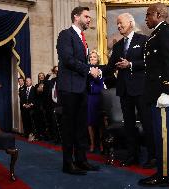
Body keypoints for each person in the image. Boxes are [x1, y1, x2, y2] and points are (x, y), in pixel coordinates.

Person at [102, 12, 156, 168]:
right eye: (117, 24)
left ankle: (152, 157)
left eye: (121, 23)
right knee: (129, 125)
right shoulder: (118, 45)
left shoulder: (144, 40)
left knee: (147, 123)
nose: (118, 26)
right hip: (124, 90)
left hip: (141, 89)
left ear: (131, 23)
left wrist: (131, 64)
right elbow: (110, 67)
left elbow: (150, 62)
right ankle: (133, 155)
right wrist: (94, 71)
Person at [138, 3, 169, 186]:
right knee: (161, 132)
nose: (146, 18)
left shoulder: (167, 31)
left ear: (157, 14)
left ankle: (164, 175)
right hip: (155, 92)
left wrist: (168, 91)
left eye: (148, 15)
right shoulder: (156, 33)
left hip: (162, 93)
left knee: (162, 134)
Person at [56, 6, 100, 175]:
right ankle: (68, 164)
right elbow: (67, 59)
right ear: (76, 17)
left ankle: (81, 160)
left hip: (81, 88)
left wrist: (94, 70)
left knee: (81, 127)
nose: (89, 19)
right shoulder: (65, 35)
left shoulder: (83, 38)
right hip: (69, 88)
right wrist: (89, 70)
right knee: (69, 127)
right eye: (87, 16)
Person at [87, 50, 104, 152]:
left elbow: (100, 82)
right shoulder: (86, 69)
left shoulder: (101, 68)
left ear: (97, 59)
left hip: (99, 97)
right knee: (90, 122)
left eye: (94, 57)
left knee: (100, 122)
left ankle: (102, 144)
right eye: (91, 57)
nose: (92, 58)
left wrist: (96, 76)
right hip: (89, 97)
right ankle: (92, 144)